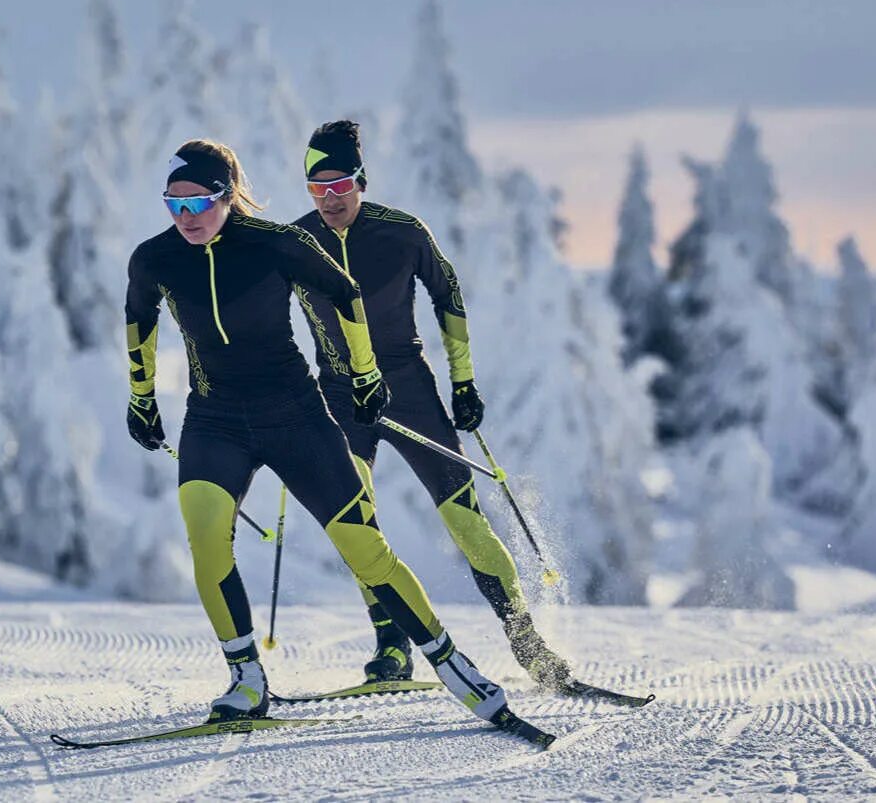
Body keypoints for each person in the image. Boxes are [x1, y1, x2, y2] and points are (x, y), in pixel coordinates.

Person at [125, 138, 521, 728]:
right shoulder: (154, 258)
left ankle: (449, 660)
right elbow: (140, 320)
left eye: (199, 203)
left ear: (228, 196)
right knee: (206, 536)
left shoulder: (277, 243)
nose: (186, 218)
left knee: (364, 546)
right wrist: (141, 397)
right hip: (215, 418)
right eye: (173, 205)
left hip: (297, 417)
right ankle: (246, 678)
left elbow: (345, 292)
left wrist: (364, 373)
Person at [292, 120, 573, 692]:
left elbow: (448, 295)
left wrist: (463, 384)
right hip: (340, 396)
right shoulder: (295, 242)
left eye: (340, 183)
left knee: (464, 517)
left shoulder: (402, 232)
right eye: (317, 187)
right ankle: (391, 645)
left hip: (408, 389)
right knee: (356, 522)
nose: (330, 198)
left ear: (361, 180)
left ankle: (525, 641)